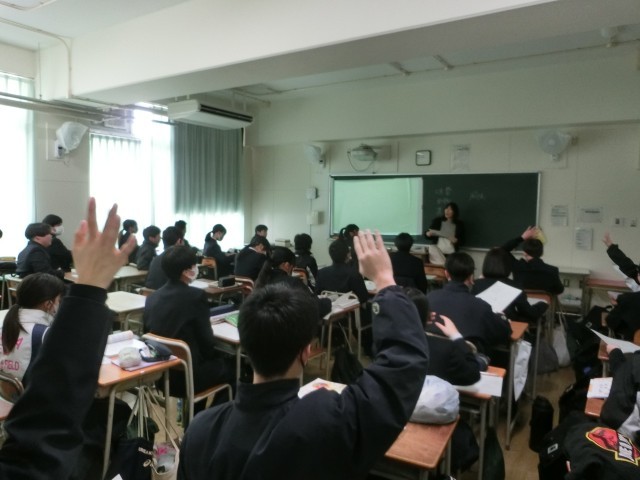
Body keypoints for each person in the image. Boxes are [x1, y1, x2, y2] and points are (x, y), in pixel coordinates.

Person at [178, 230, 429, 480]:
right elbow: (400, 370)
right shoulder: (324, 422)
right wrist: (384, 280)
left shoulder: (200, 431)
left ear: (246, 345)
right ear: (306, 351)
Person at [0, 198, 136, 479]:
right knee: (116, 407)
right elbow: (60, 387)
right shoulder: (46, 335)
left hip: (14, 400)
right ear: (50, 303)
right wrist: (90, 288)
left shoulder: (8, 323)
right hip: (37, 412)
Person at [143, 245, 234, 404]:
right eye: (194, 265)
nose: (196, 268)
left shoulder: (152, 297)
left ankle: (197, 414)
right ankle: (210, 416)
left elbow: (148, 334)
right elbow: (207, 343)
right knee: (234, 367)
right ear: (186, 271)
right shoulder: (196, 296)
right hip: (189, 377)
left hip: (161, 376)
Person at [427, 251, 511, 354]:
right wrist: (503, 318)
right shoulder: (480, 306)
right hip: (466, 360)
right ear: (471, 277)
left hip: (431, 357)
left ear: (446, 273)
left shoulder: (429, 298)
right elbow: (503, 334)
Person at [404, 287, 480, 385]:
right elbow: (472, 374)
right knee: (481, 361)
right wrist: (456, 336)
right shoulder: (445, 349)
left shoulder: (385, 344)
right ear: (429, 316)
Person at [0, 272, 66, 382]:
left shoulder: (5, 326)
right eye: (59, 300)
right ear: (48, 304)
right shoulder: (46, 334)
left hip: (6, 391)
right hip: (32, 392)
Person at [471, 247, 548, 323]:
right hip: (507, 325)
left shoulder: (476, 284)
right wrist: (542, 305)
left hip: (481, 323)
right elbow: (529, 313)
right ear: (507, 265)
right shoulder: (515, 285)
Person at [255, 246, 331, 317]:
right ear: (287, 265)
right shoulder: (293, 283)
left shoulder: (261, 281)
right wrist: (327, 301)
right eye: (293, 267)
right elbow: (315, 307)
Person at [501, 226, 564, 295]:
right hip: (542, 301)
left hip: (522, 301)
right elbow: (559, 290)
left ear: (525, 253)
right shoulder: (552, 271)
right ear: (541, 253)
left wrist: (522, 238)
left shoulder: (517, 267)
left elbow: (501, 250)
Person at [315, 238, 368, 304]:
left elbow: (317, 294)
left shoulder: (321, 273)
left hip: (330, 308)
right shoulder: (354, 273)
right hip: (350, 309)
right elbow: (363, 297)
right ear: (348, 254)